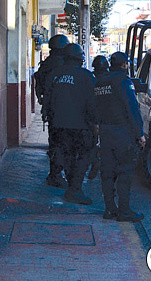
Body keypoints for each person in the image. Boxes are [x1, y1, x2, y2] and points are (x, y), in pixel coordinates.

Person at [43, 43, 98, 205]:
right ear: (80, 58)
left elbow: (47, 98)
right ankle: (75, 190)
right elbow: (92, 103)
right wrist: (95, 122)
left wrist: (48, 117)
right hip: (80, 126)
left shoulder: (54, 74)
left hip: (58, 125)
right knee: (83, 157)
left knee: (66, 155)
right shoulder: (87, 76)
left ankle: (72, 188)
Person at [94, 51, 146, 222]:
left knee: (107, 172)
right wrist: (140, 134)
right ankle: (124, 211)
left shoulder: (100, 82)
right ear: (125, 65)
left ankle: (110, 209)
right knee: (125, 172)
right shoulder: (124, 82)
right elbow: (132, 108)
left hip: (105, 132)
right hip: (122, 133)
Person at [34, 34, 70, 188]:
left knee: (55, 141)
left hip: (51, 109)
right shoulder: (61, 65)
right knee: (62, 143)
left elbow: (39, 85)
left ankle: (55, 173)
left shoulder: (47, 63)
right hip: (62, 109)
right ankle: (55, 175)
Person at [87, 55, 110, 180]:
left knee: (92, 144)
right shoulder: (110, 79)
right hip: (108, 117)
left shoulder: (91, 78)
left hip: (93, 117)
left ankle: (95, 162)